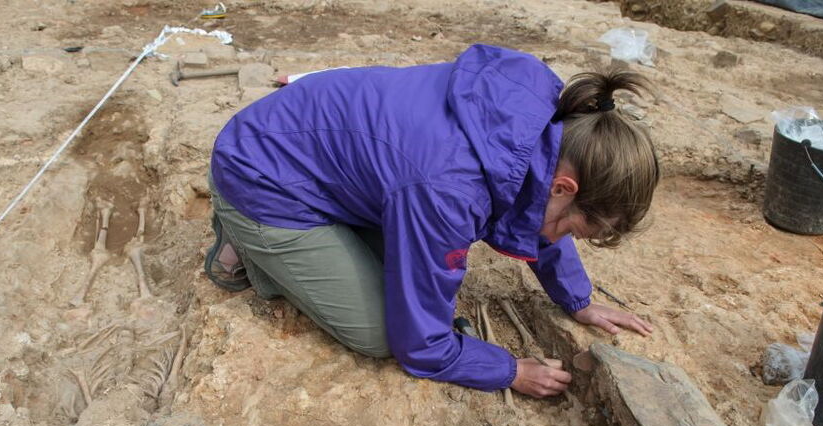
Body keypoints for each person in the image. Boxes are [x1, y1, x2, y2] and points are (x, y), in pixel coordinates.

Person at [205, 44, 658, 398]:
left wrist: (577, 299)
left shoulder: (549, 124)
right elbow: (420, 347)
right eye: (575, 229)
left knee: (404, 275)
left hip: (318, 152)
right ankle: (242, 234)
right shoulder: (449, 189)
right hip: (262, 174)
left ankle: (298, 242)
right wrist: (508, 370)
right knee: (380, 330)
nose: (563, 237)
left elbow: (537, 212)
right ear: (565, 188)